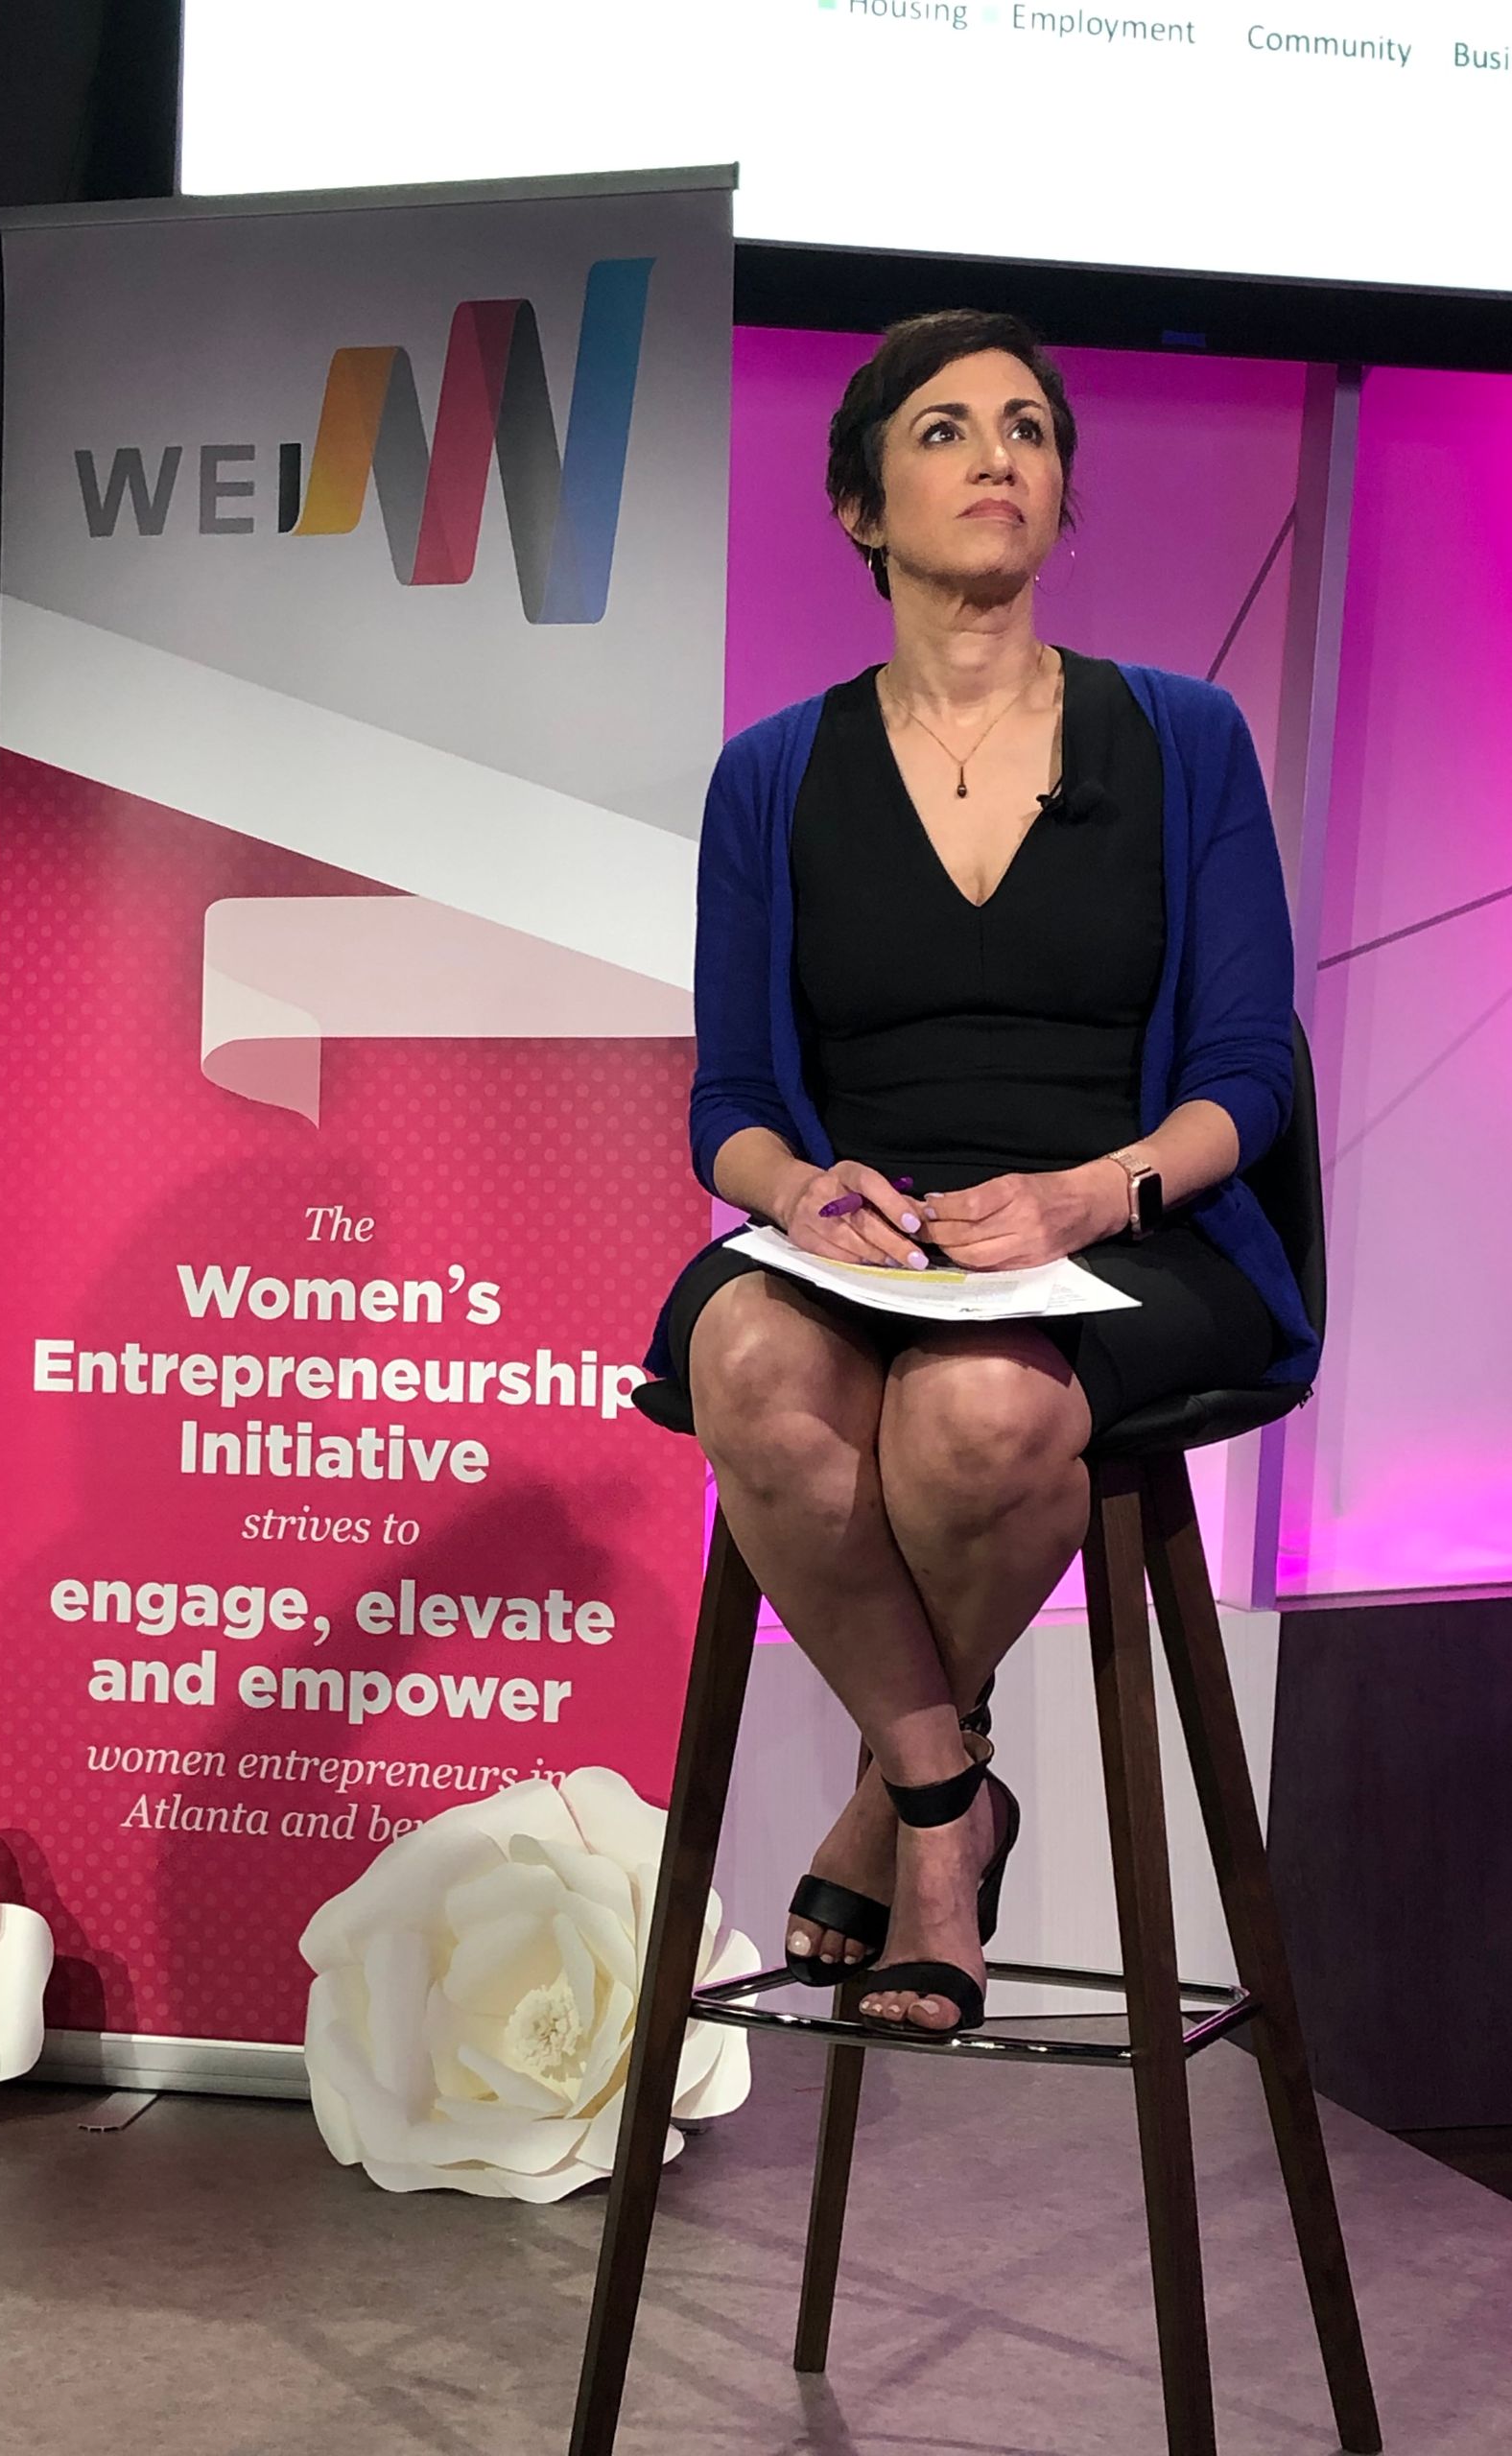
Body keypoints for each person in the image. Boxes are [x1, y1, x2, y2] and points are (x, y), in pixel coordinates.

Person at [637, 310, 1313, 2038]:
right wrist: (796, 1195)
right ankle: (957, 1797)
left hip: (1125, 1225)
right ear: (865, 506)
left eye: (1027, 428)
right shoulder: (773, 774)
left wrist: (1092, 1192)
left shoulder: (1184, 739)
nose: (998, 455)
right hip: (870, 1231)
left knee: (980, 1419)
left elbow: (1248, 1072)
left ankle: (903, 1808)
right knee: (750, 1365)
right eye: (944, 430)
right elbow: (729, 1104)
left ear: (1063, 495)